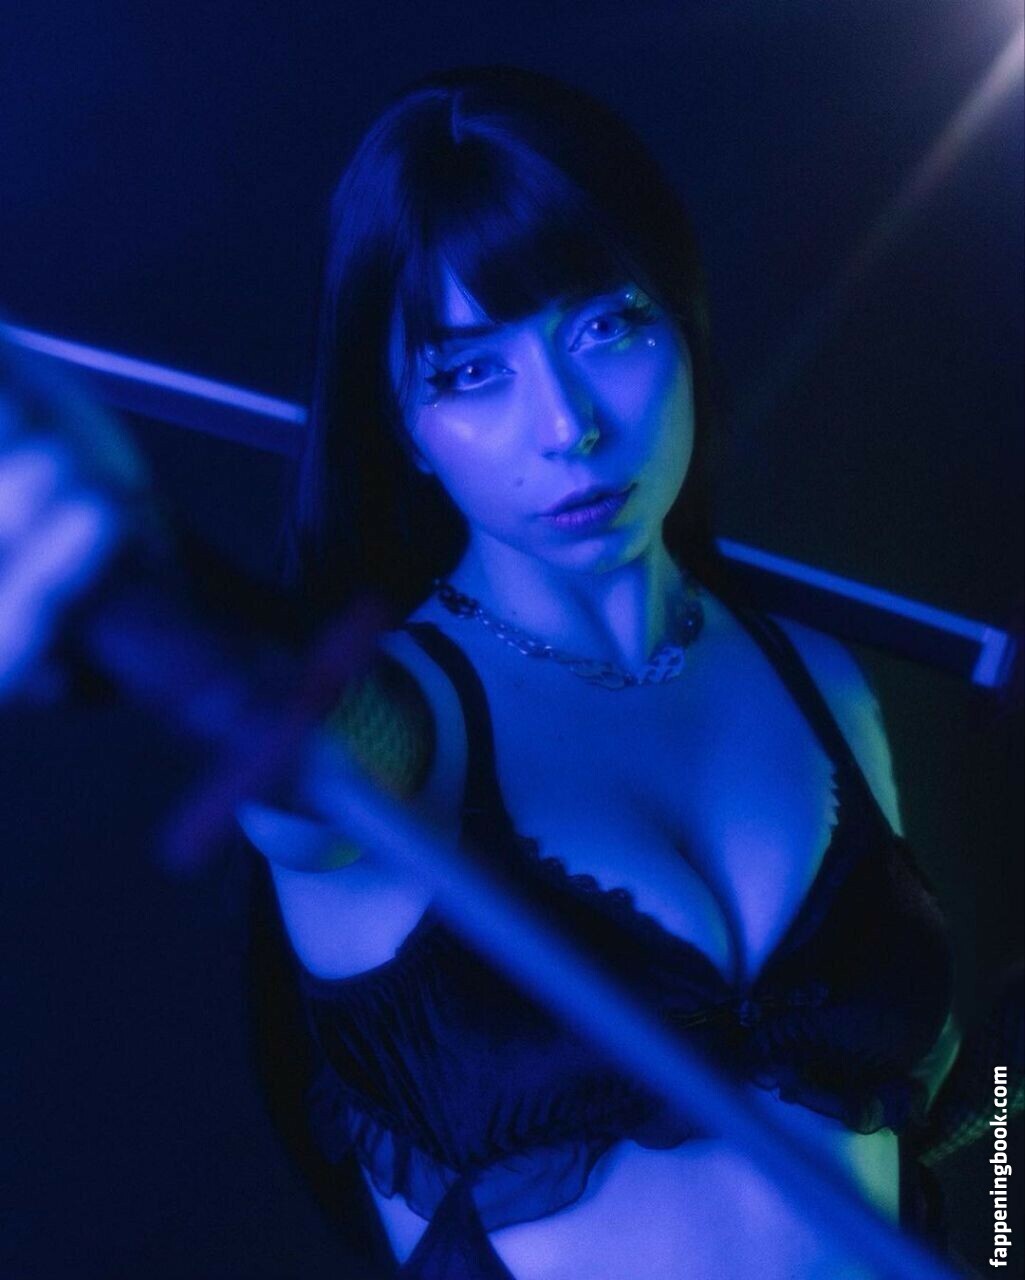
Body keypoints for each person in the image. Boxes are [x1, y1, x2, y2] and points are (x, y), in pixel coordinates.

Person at [1, 66, 964, 1279]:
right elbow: (301, 720)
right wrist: (151, 579)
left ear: (683, 322)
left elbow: (933, 1128)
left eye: (605, 324)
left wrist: (1001, 1206)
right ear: (403, 424)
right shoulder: (399, 731)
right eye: (468, 371)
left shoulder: (821, 682)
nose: (566, 427)